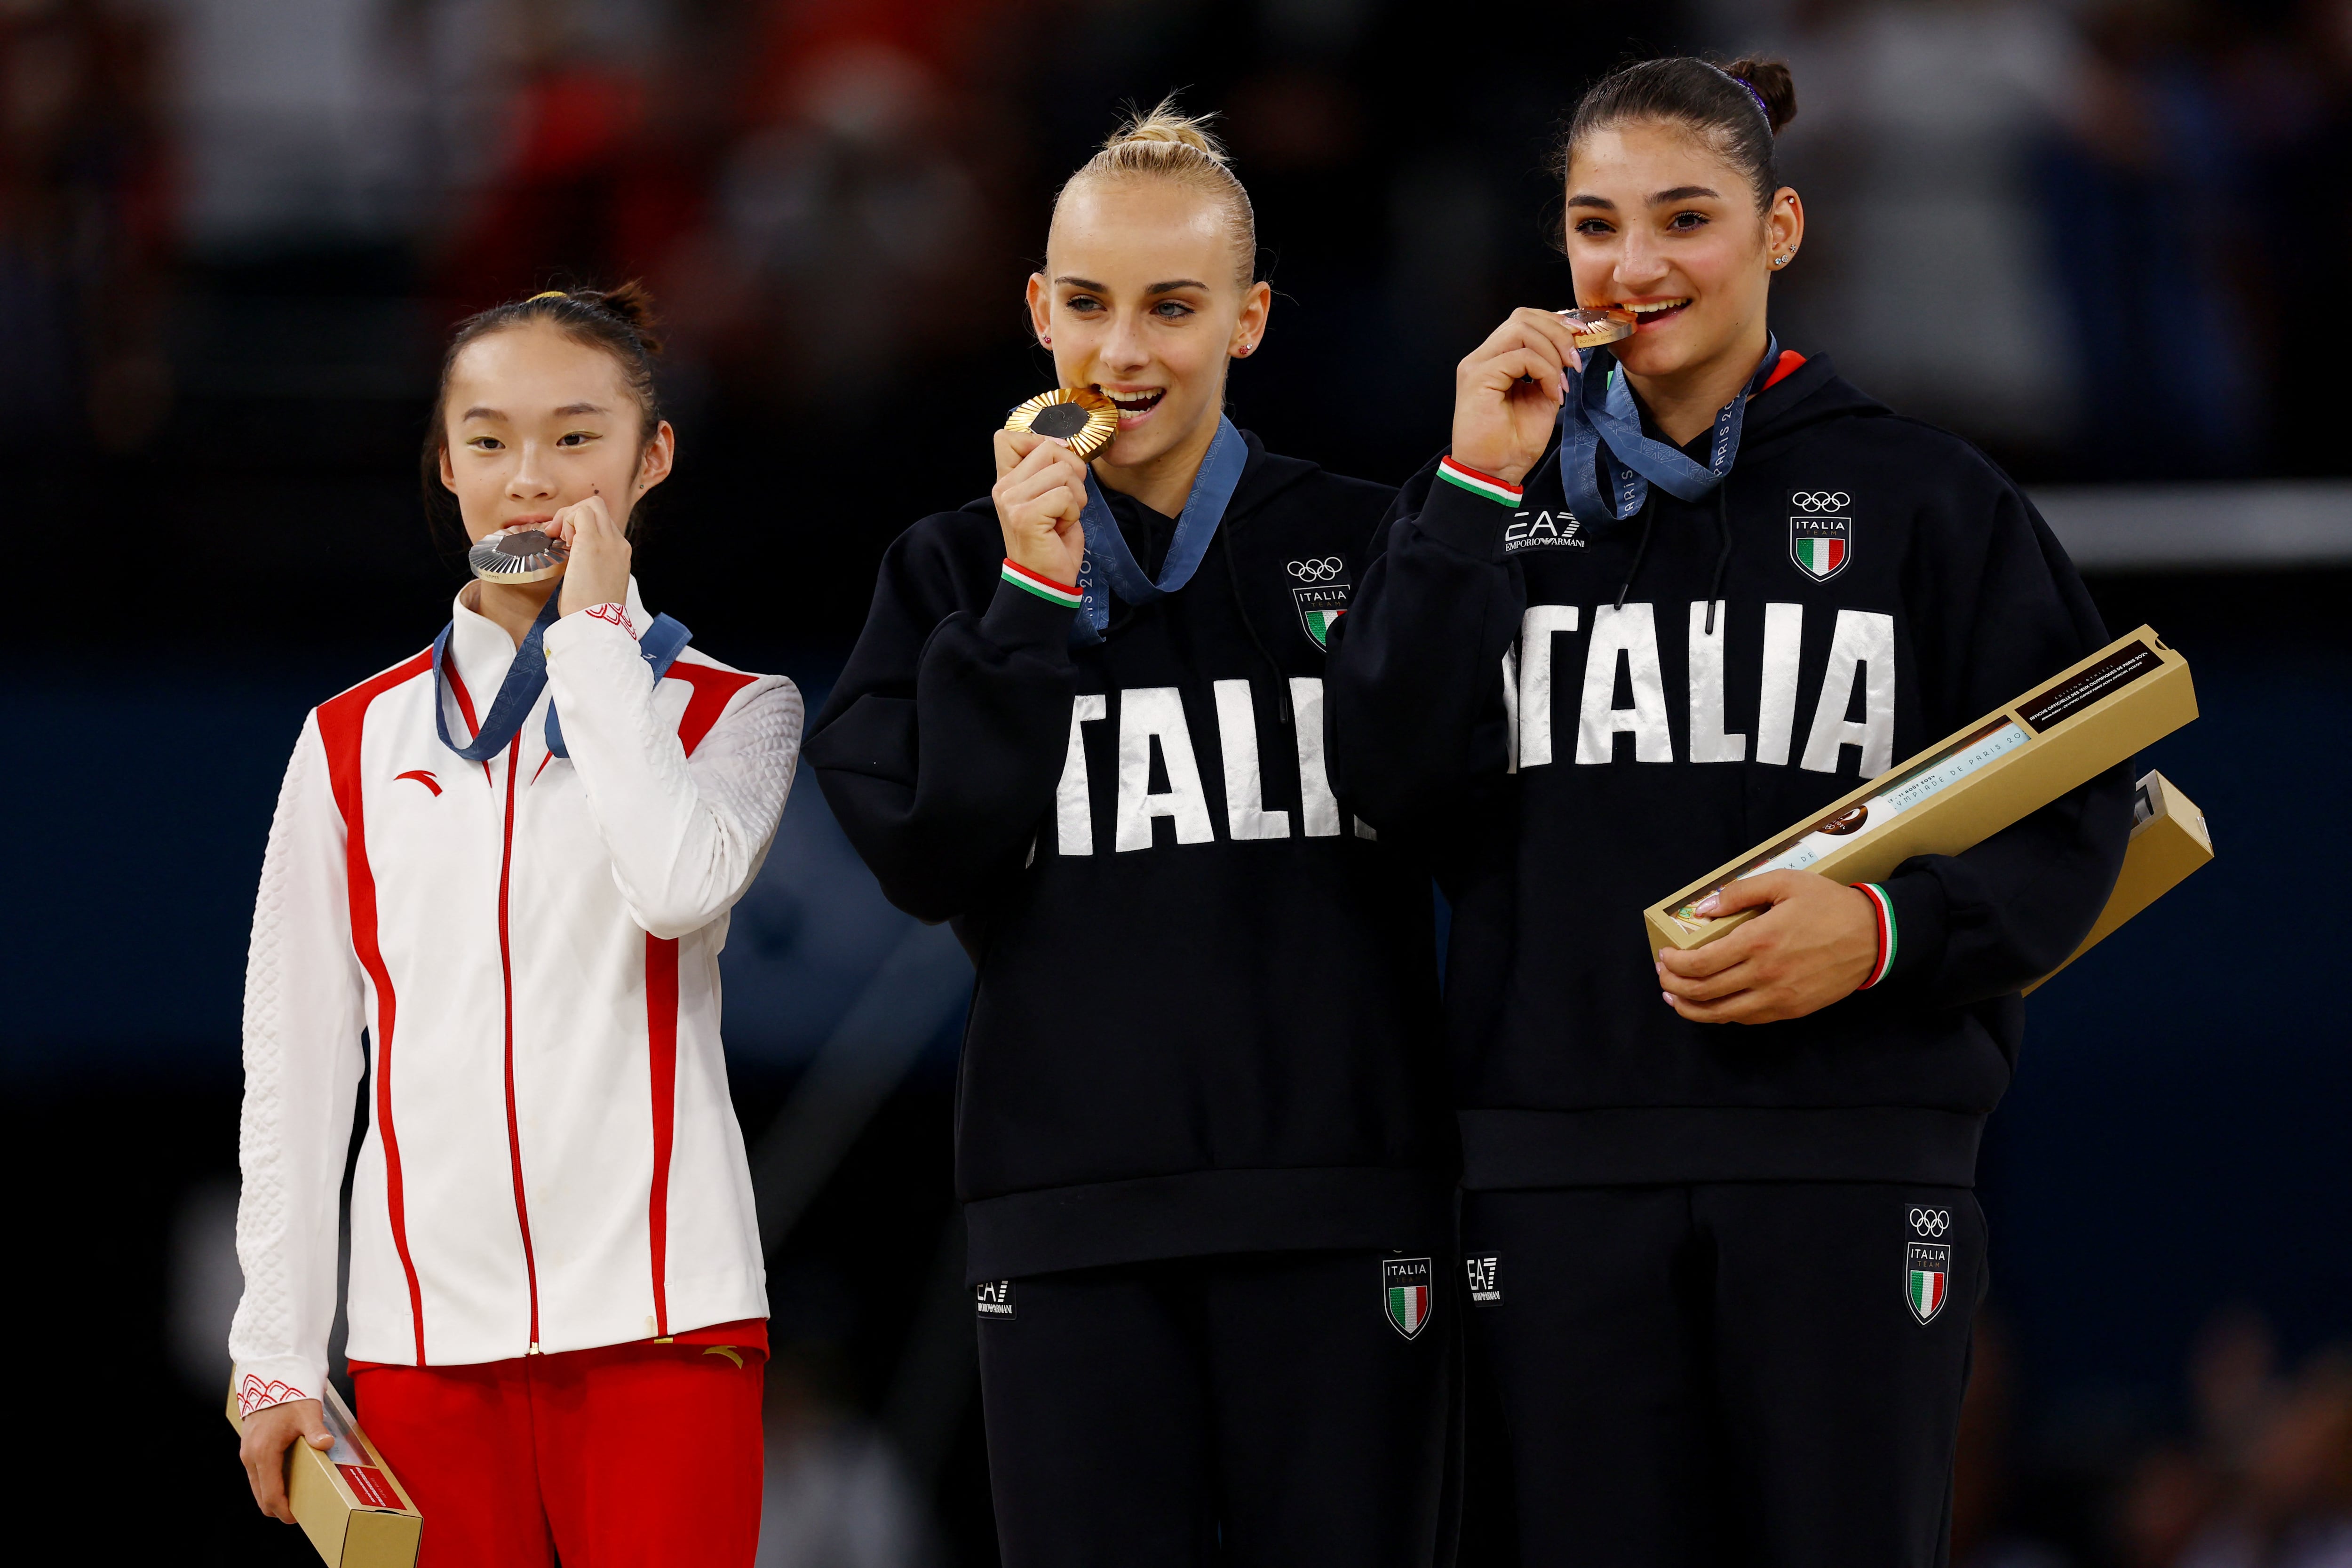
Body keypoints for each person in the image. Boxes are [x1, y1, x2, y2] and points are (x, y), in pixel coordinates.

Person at [1326, 56, 2134, 1567]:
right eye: (1595, 224)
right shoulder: (1485, 502)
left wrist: (1892, 928)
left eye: (1686, 218)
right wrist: (1465, 493)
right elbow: (1381, 778)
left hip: (1849, 1162)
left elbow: (2089, 798)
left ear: (1781, 231)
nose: (1635, 268)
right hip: (1556, 1172)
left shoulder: (1930, 504)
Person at [805, 102, 1454, 1568]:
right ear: (1037, 310)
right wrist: (1030, 601)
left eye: (1174, 307)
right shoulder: (949, 572)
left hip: (1343, 1202)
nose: (1125, 354)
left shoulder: (1373, 543)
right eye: (1090, 306)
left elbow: (1461, 803)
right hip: (1068, 1213)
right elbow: (927, 858)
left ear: (1252, 318)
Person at [230, 285, 802, 1568]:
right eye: (488, 441)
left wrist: (597, 641)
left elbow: (673, 884)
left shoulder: (736, 714)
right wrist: (274, 1354)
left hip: (665, 1326)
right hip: (423, 1346)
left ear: (653, 457)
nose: (529, 481)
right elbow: (300, 1063)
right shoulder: (347, 742)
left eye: (577, 438)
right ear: (446, 461)